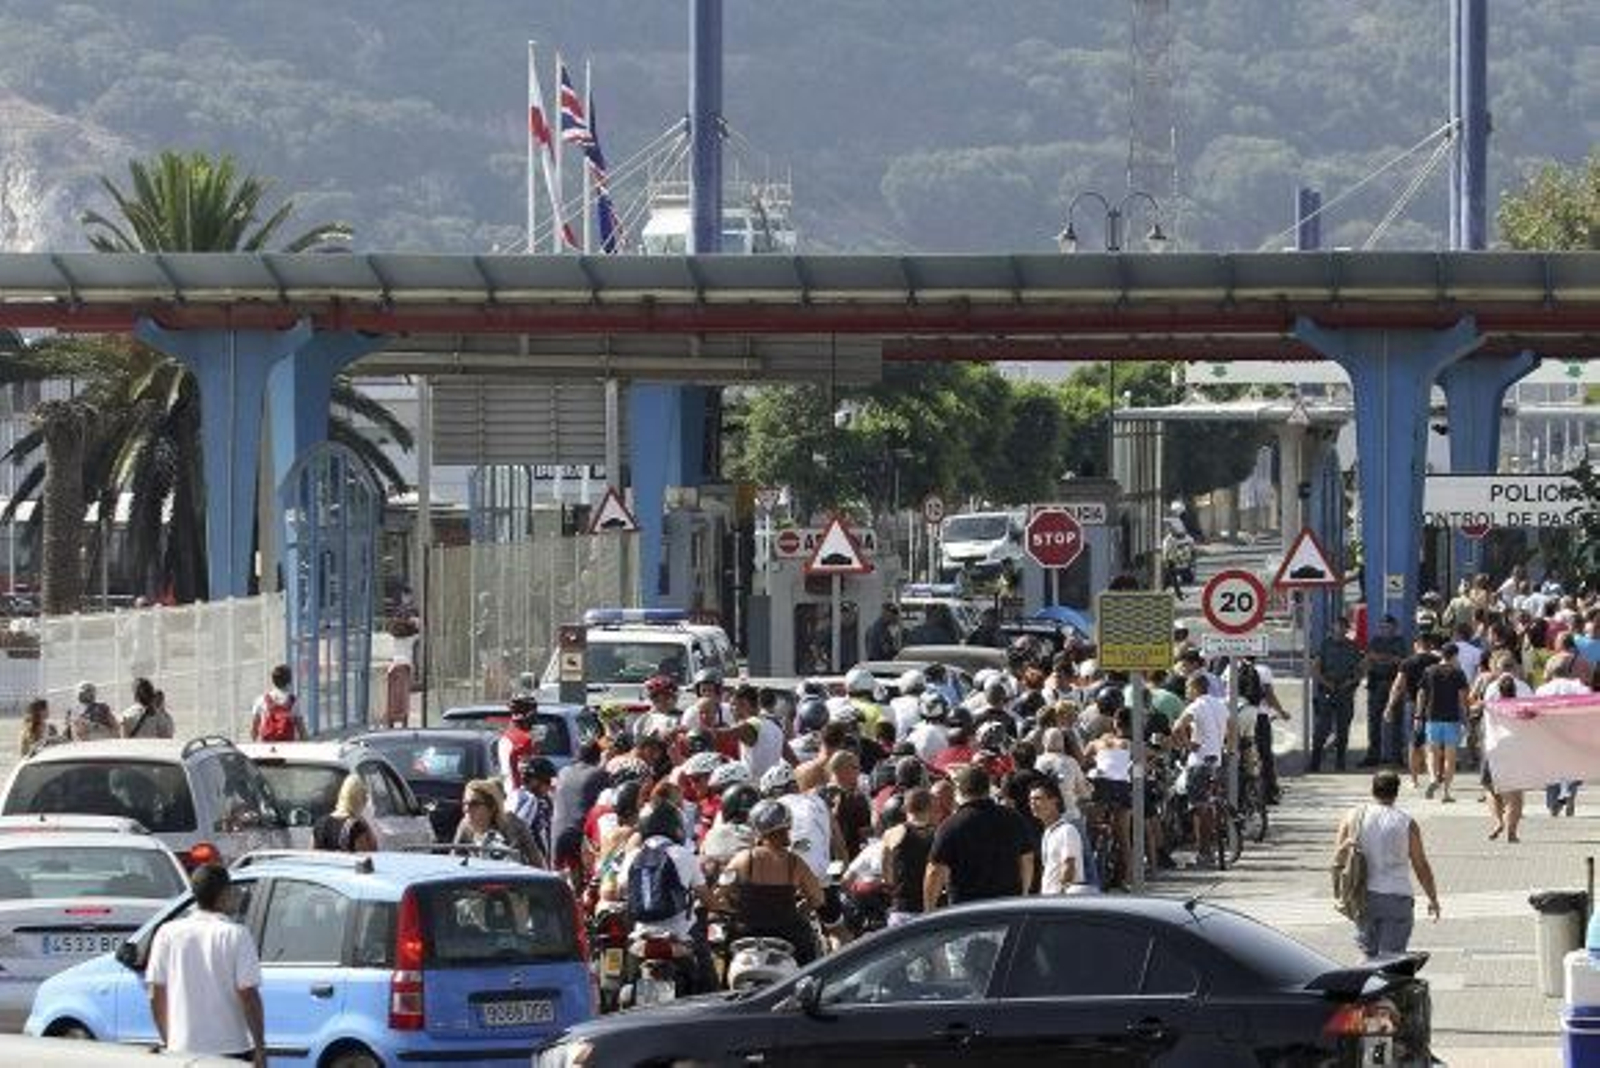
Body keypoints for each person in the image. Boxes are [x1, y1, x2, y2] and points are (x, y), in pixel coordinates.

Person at [145, 864, 265, 1064]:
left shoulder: (167, 933)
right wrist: (260, 1048)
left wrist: (169, 1040)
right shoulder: (236, 934)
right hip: (231, 1047)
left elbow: (156, 994)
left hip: (182, 1049)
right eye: (232, 891)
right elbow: (248, 995)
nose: (236, 895)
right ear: (224, 895)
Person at [1334, 771, 1441, 960]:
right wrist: (1432, 898)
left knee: (1369, 956)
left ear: (1372, 789)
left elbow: (1338, 858)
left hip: (1363, 895)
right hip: (1397, 897)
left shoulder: (1353, 816)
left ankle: (1364, 986)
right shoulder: (1406, 823)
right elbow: (1420, 865)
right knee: (1391, 959)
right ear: (1396, 792)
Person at [717, 799, 825, 965]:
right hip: (787, 936)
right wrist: (802, 907)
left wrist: (733, 908)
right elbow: (818, 899)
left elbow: (719, 894)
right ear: (787, 826)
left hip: (747, 935)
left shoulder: (744, 858)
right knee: (809, 966)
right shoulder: (795, 863)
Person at [923, 764, 1035, 909]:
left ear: (959, 791)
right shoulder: (1014, 818)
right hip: (1007, 908)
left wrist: (929, 911)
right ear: (988, 788)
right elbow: (1027, 859)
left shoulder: (950, 826)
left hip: (967, 913)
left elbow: (934, 872)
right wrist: (1023, 894)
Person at [1174, 674, 1237, 863]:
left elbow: (1178, 726)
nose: (1186, 692)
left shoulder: (1196, 705)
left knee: (1199, 808)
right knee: (1211, 805)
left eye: (1187, 687)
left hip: (1199, 761)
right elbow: (1232, 725)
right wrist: (1230, 749)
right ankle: (1211, 846)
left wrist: (1187, 744)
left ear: (1195, 688)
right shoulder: (1219, 704)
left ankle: (1204, 851)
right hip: (1216, 760)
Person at [1417, 642, 1470, 803]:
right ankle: (1446, 792)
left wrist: (1418, 715)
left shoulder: (1429, 671)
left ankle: (1433, 778)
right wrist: (1465, 719)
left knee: (1432, 752)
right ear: (1454, 656)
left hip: (1432, 717)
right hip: (1452, 718)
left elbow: (1421, 694)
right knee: (1450, 757)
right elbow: (1462, 699)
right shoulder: (1458, 673)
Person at [551, 737, 609, 881]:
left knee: (561, 878)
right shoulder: (599, 774)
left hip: (558, 833)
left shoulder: (563, 772)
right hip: (581, 835)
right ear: (597, 756)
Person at [1311, 616, 1364, 772]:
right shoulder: (1325, 645)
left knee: (1343, 729)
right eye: (1337, 627)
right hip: (1327, 690)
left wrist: (1351, 682)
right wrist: (1325, 682)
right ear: (1332, 628)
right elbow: (1315, 668)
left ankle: (1340, 762)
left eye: (1343, 627)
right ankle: (1315, 762)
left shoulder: (1353, 646)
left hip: (1345, 691)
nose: (1340, 630)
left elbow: (1361, 669)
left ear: (1347, 629)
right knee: (1322, 728)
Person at [880, 786, 937, 926]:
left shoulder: (893, 833)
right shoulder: (939, 833)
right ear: (931, 807)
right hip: (933, 909)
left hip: (903, 909)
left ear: (904, 808)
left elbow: (887, 875)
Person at [453, 778, 544, 866]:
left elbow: (537, 862)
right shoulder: (465, 826)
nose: (467, 809)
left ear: (492, 808)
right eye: (465, 803)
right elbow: (454, 862)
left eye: (474, 804)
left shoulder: (514, 825)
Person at [1030, 777, 1091, 895]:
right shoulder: (1048, 832)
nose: (1032, 803)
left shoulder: (1067, 830)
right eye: (1031, 800)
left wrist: (1060, 897)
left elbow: (1069, 866)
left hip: (1061, 903)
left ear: (1054, 801)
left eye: (1038, 799)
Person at [1361, 615, 1407, 768]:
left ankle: (1397, 756)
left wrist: (1380, 658)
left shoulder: (1400, 641)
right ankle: (1373, 755)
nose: (1384, 629)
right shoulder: (1375, 641)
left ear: (1394, 627)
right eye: (1382, 627)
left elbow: (1401, 661)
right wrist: (1388, 658)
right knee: (1373, 721)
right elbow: (1368, 659)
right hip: (1376, 683)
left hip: (1394, 684)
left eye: (1387, 627)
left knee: (1397, 721)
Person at [313, 774, 378, 852]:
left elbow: (313, 856)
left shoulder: (320, 824)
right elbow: (370, 853)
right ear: (360, 799)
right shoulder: (357, 827)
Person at [248, 664, 305, 742]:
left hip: (267, 748)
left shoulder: (261, 700)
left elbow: (254, 729)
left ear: (273, 680)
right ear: (289, 681)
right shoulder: (294, 701)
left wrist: (254, 745)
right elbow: (302, 731)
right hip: (289, 748)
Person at [497, 692, 539, 796]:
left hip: (506, 793)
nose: (535, 717)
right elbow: (527, 777)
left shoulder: (506, 735)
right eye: (534, 712)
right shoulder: (524, 739)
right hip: (520, 796)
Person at [384, 616, 420, 728]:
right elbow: (420, 632)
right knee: (404, 696)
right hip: (405, 667)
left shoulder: (393, 639)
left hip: (393, 667)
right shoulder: (411, 639)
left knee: (392, 696)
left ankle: (391, 718)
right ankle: (403, 718)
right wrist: (415, 622)